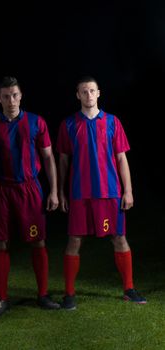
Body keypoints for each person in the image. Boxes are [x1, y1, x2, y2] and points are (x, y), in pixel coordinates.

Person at [57, 76, 147, 310]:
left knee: (119, 238)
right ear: (78, 95)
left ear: (99, 93)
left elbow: (121, 158)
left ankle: (129, 289)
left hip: (109, 192)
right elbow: (64, 161)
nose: (88, 95)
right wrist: (60, 191)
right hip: (79, 193)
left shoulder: (112, 122)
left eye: (92, 91)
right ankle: (69, 294)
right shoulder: (68, 124)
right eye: (84, 92)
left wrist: (128, 191)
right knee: (74, 240)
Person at [0, 77, 60, 316]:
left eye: (14, 95)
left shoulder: (37, 122)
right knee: (1, 242)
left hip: (29, 188)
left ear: (21, 95)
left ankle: (43, 295)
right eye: (6, 96)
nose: (11, 100)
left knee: (38, 241)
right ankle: (2, 298)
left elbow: (48, 157)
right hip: (1, 190)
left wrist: (55, 191)